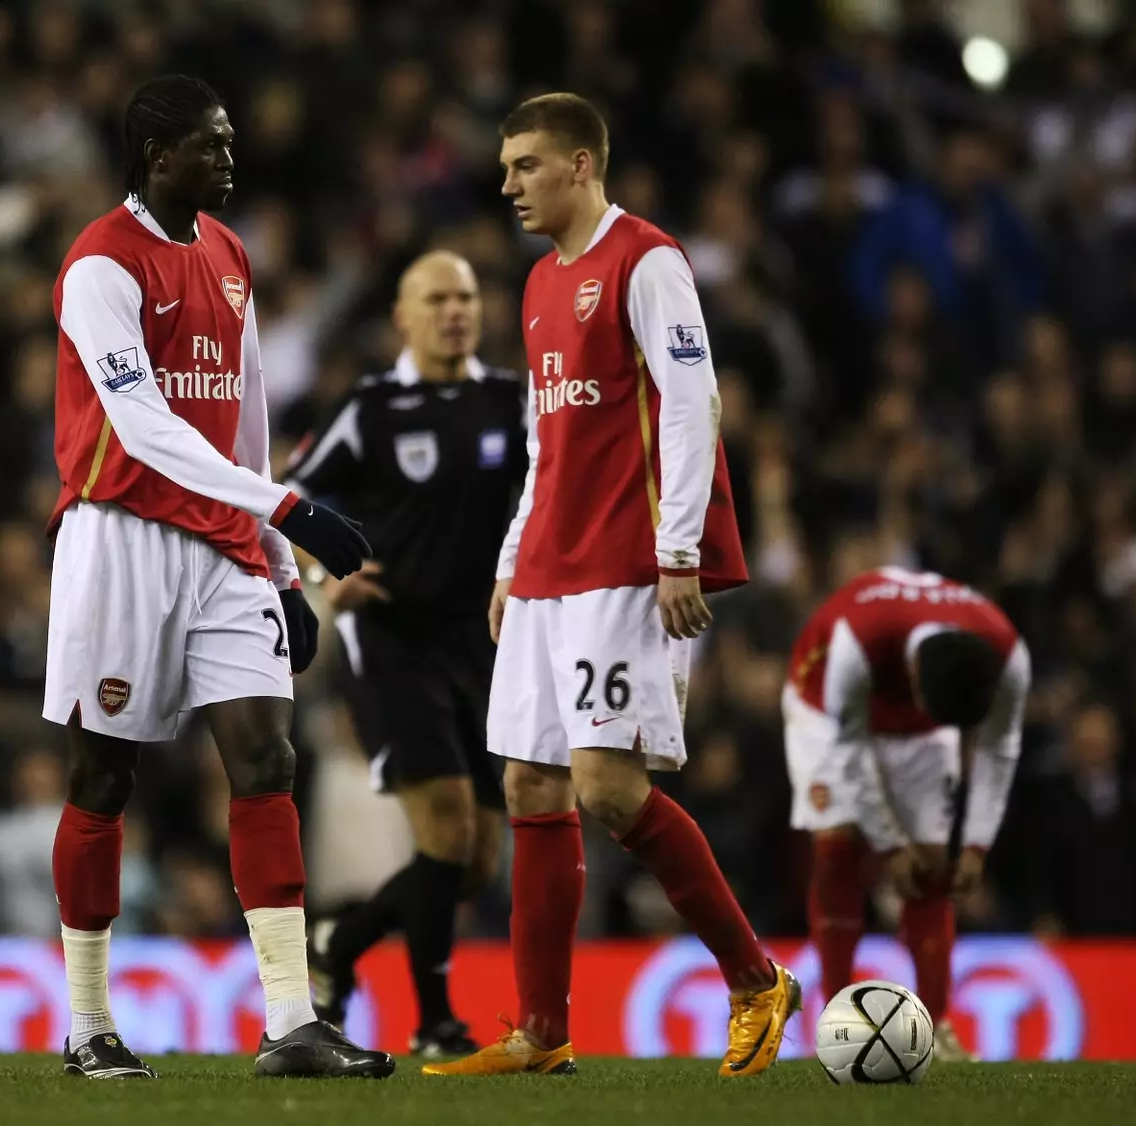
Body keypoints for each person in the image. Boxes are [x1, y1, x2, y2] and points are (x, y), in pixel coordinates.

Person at [425, 93, 799, 1080]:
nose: (507, 184)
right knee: (529, 783)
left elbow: (692, 399)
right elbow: (548, 443)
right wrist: (513, 557)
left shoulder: (649, 261)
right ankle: (541, 1033)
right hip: (551, 561)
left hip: (624, 559)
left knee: (607, 786)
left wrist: (679, 549)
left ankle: (757, 976)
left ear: (582, 165)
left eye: (526, 166)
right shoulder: (544, 284)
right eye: (505, 167)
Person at [44, 74, 390, 1080]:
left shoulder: (232, 256)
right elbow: (141, 427)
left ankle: (291, 1017)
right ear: (159, 157)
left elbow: (243, 416)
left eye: (232, 143)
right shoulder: (98, 266)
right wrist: (291, 509)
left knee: (267, 760)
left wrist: (278, 561)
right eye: (213, 146)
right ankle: (88, 1023)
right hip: (122, 536)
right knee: (104, 775)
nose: (231, 162)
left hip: (226, 548)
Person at [285, 250, 525, 1058]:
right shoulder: (374, 406)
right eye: (436, 298)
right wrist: (322, 574)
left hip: (486, 644)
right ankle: (434, 1021)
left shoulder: (510, 401)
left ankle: (340, 947)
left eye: (465, 296)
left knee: (475, 861)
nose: (455, 310)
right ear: (403, 316)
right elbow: (291, 493)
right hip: (393, 639)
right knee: (447, 828)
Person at [783, 565, 1030, 1062]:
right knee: (839, 845)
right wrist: (891, 844)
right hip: (824, 710)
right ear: (914, 676)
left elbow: (999, 748)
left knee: (933, 867)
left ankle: (937, 1026)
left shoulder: (1008, 656)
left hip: (915, 731)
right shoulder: (857, 638)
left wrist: (977, 845)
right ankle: (836, 1019)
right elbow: (849, 747)